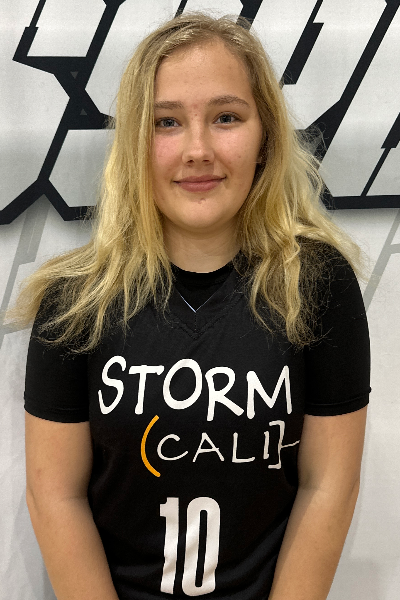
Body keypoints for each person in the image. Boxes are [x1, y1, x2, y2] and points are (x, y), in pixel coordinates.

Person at [17, 12, 370, 600]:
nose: (198, 150)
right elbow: (55, 495)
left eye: (226, 117)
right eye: (167, 123)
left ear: (265, 136)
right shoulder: (74, 302)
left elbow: (328, 485)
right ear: (135, 141)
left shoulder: (316, 284)